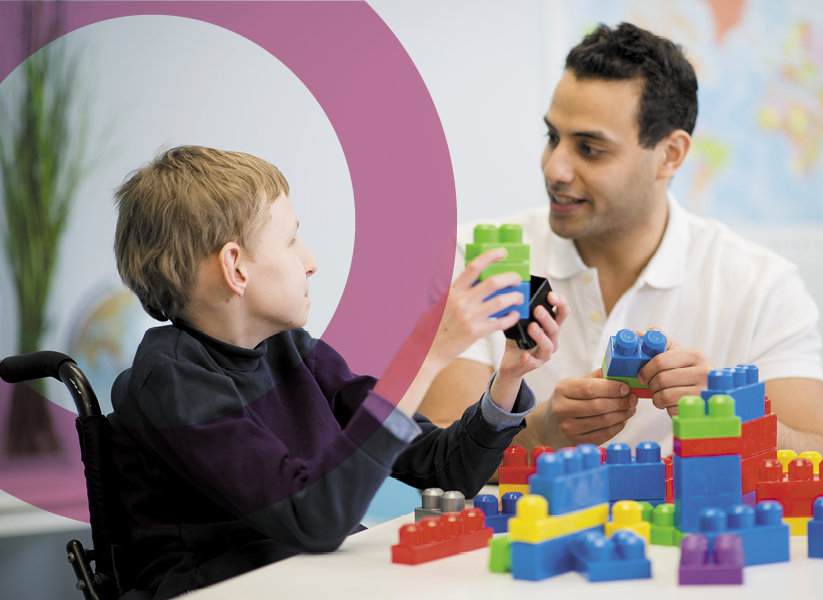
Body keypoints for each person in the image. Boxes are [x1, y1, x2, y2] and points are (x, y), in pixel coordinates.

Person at [107, 146, 568, 598]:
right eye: (290, 241)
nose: (310, 261)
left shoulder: (293, 351)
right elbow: (313, 518)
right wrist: (427, 355)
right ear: (236, 268)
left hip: (309, 575)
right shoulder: (169, 381)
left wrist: (508, 379)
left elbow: (445, 471)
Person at [419, 23, 823, 463]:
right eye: (552, 137)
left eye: (589, 148)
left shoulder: (760, 284)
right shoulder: (479, 257)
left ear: (671, 155)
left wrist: (728, 411)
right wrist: (542, 431)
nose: (554, 169)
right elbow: (436, 461)